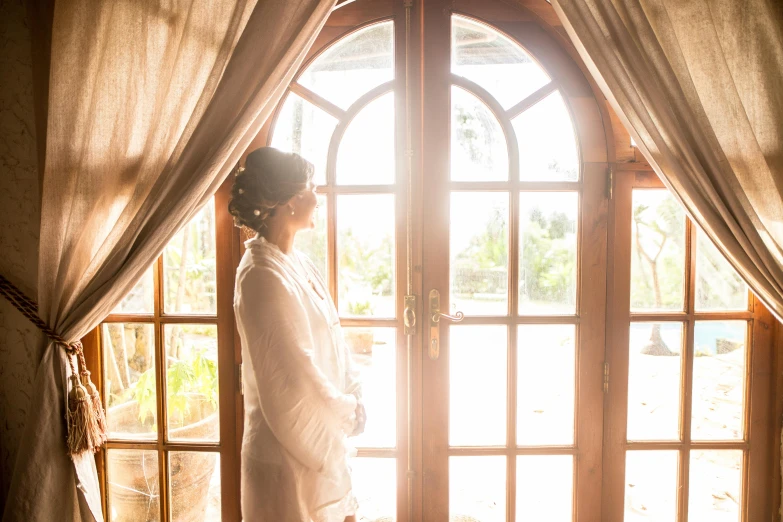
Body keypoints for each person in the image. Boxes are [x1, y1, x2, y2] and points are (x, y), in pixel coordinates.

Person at [230, 147, 366, 522]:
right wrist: (345, 413)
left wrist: (353, 393)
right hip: (284, 455)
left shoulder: (299, 263)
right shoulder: (260, 275)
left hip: (318, 442)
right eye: (310, 188)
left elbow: (333, 339)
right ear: (288, 202)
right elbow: (293, 372)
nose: (317, 196)